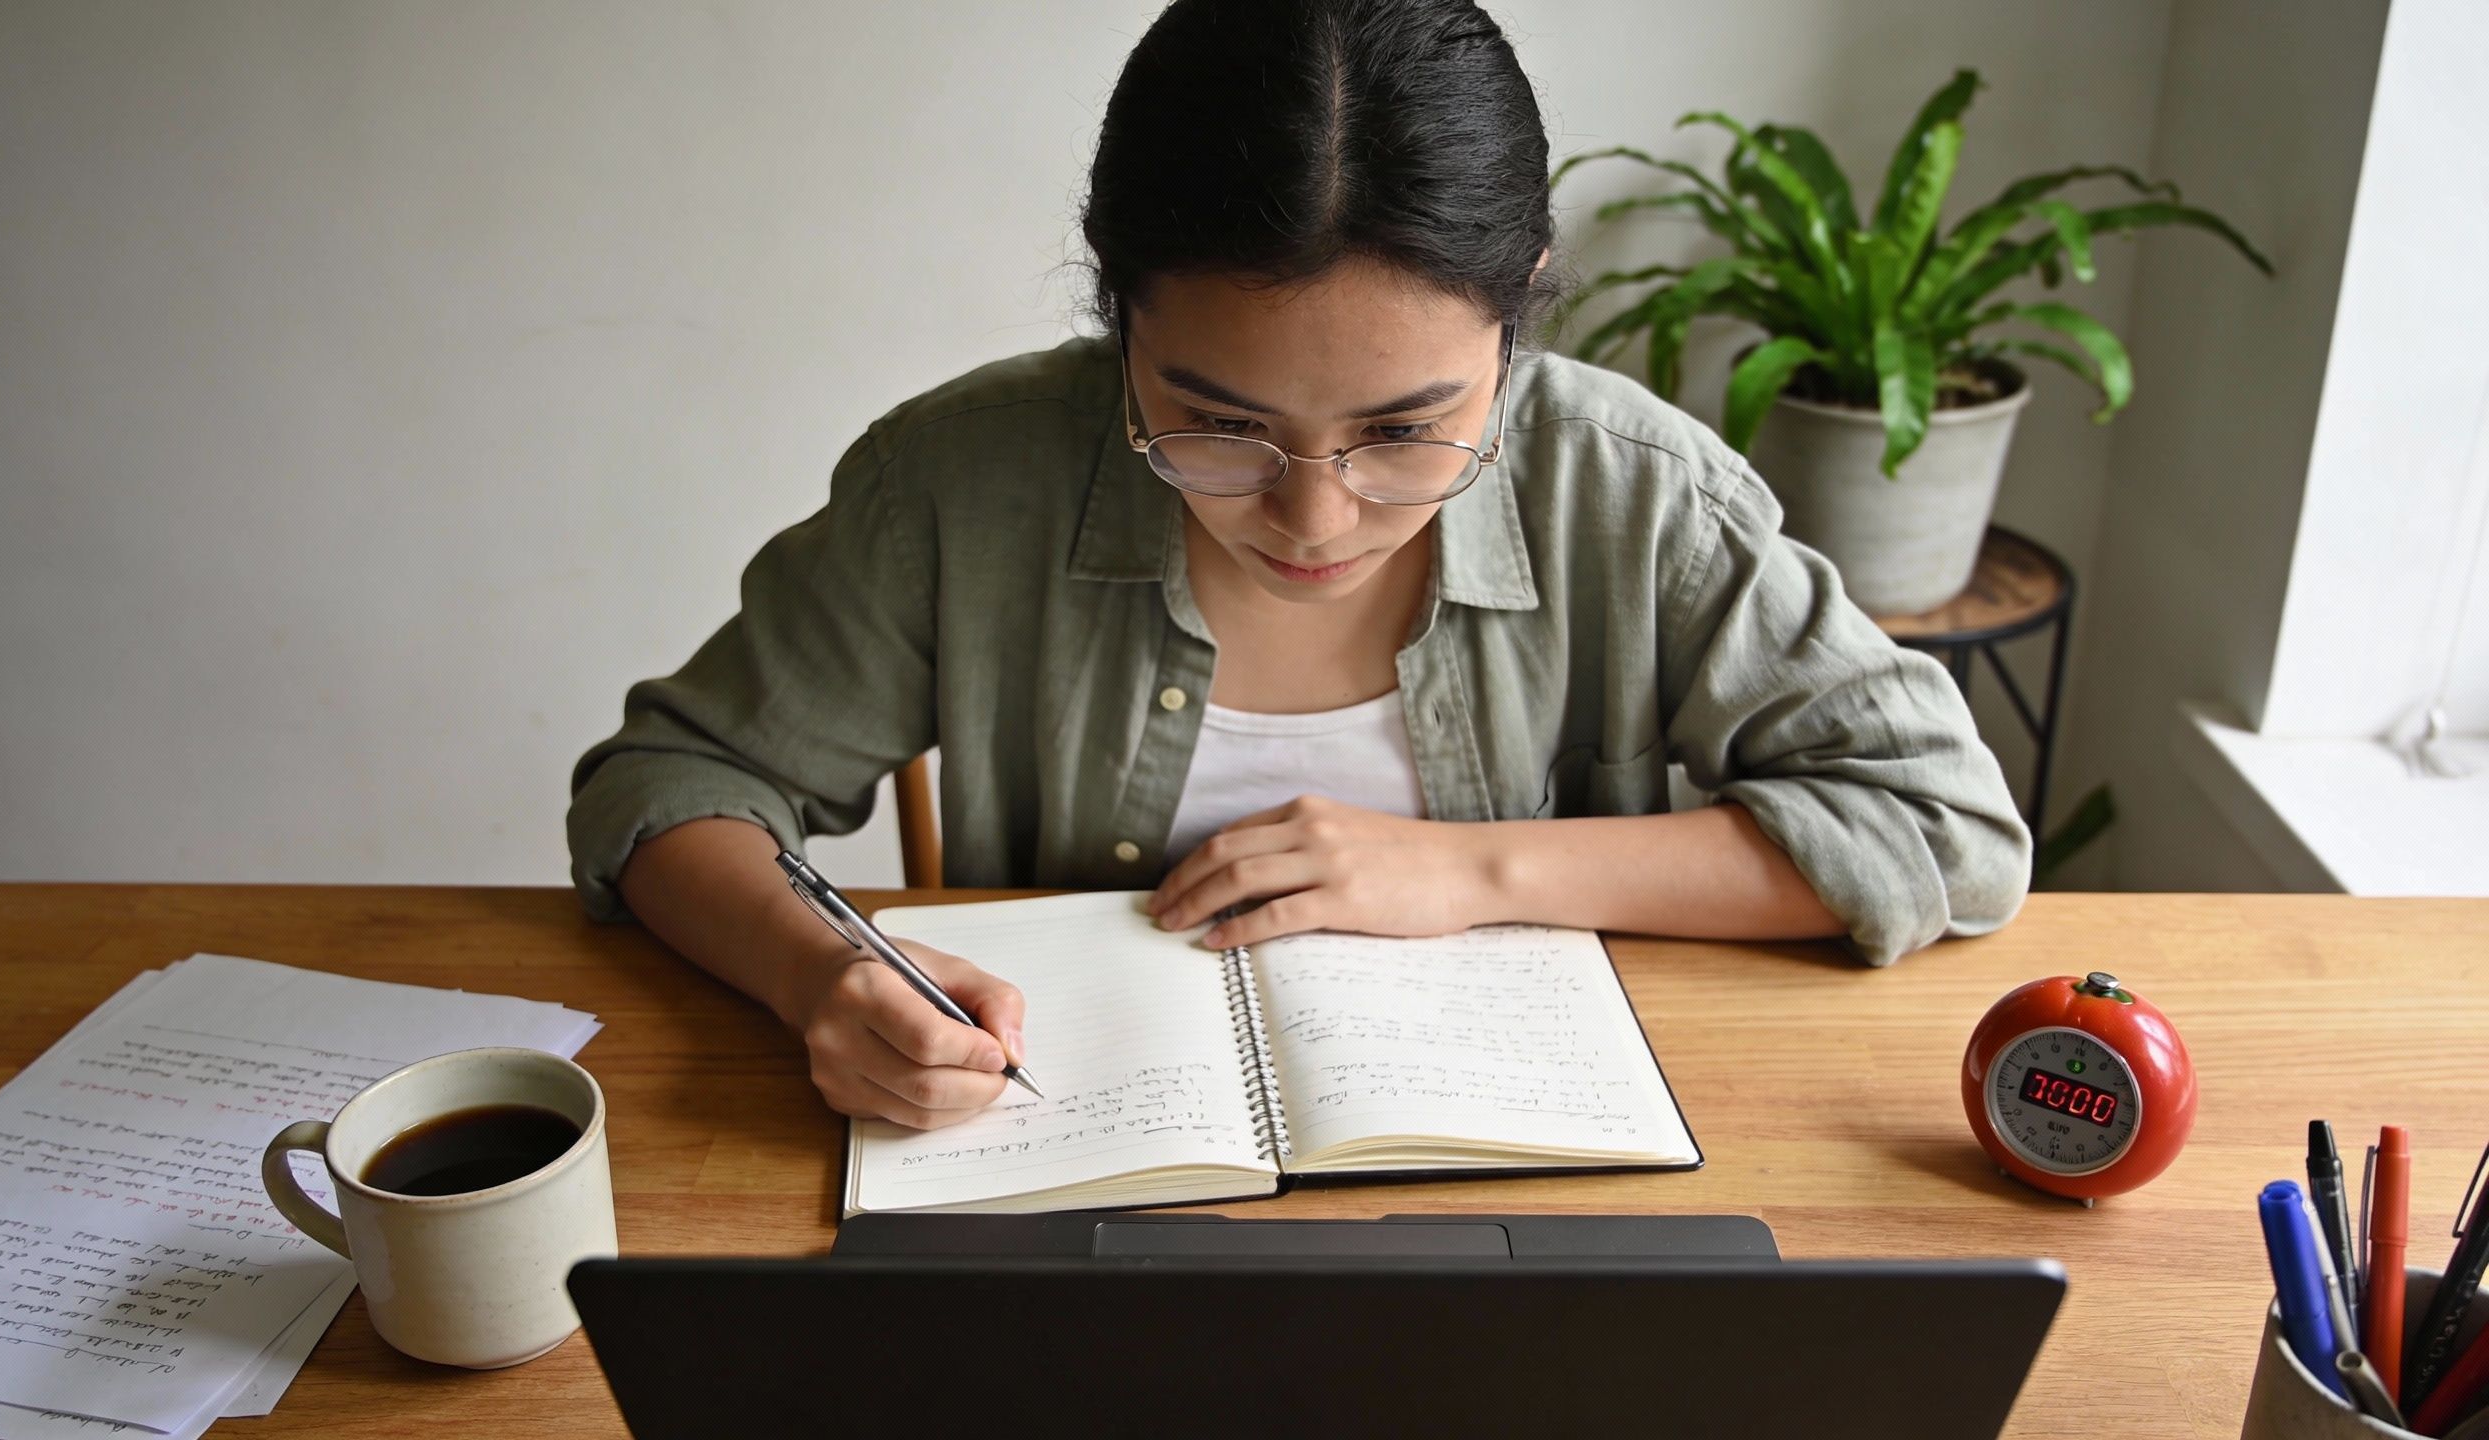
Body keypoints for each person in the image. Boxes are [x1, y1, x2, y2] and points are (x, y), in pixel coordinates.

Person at [567, 0, 2030, 1133]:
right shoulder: (961, 481)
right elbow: (666, 791)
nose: (1315, 519)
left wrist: (1475, 872)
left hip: (1524, 1236)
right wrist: (823, 974)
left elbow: (1944, 829)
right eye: (1215, 426)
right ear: (1117, 314)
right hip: (1076, 1198)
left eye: (1408, 430)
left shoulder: (1632, 495)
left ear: (1518, 316)